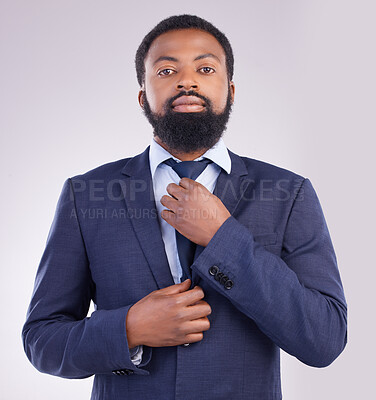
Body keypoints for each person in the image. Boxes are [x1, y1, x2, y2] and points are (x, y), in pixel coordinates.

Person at [22, 14, 348, 400]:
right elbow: (42, 340)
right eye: (166, 70)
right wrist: (128, 329)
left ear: (230, 90)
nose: (187, 81)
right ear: (143, 95)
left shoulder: (288, 193)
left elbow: (325, 339)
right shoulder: (86, 192)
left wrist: (223, 238)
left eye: (205, 68)